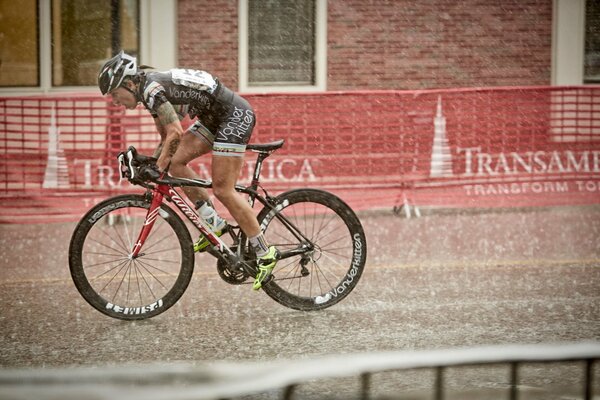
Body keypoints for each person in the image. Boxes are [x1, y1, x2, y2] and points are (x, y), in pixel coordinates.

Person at [97, 51, 277, 290]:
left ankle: (265, 252)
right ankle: (212, 221)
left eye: (115, 94)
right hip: (214, 118)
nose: (115, 102)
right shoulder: (147, 92)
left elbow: (176, 133)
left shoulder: (152, 90)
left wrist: (156, 168)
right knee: (174, 162)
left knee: (224, 189)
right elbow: (166, 140)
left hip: (234, 115)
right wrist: (149, 163)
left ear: (129, 84)